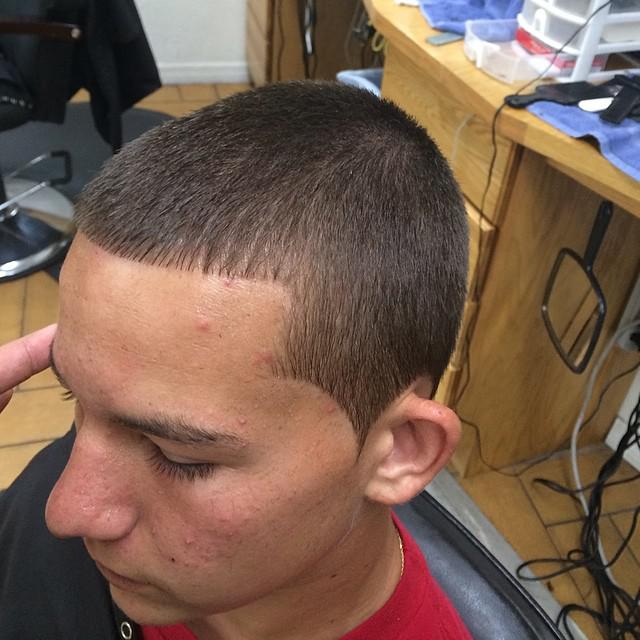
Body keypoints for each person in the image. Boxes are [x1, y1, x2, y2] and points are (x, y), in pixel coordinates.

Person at [0, 81, 471, 640]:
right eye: (75, 397)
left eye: (178, 458)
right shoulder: (108, 457)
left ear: (400, 451)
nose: (65, 511)